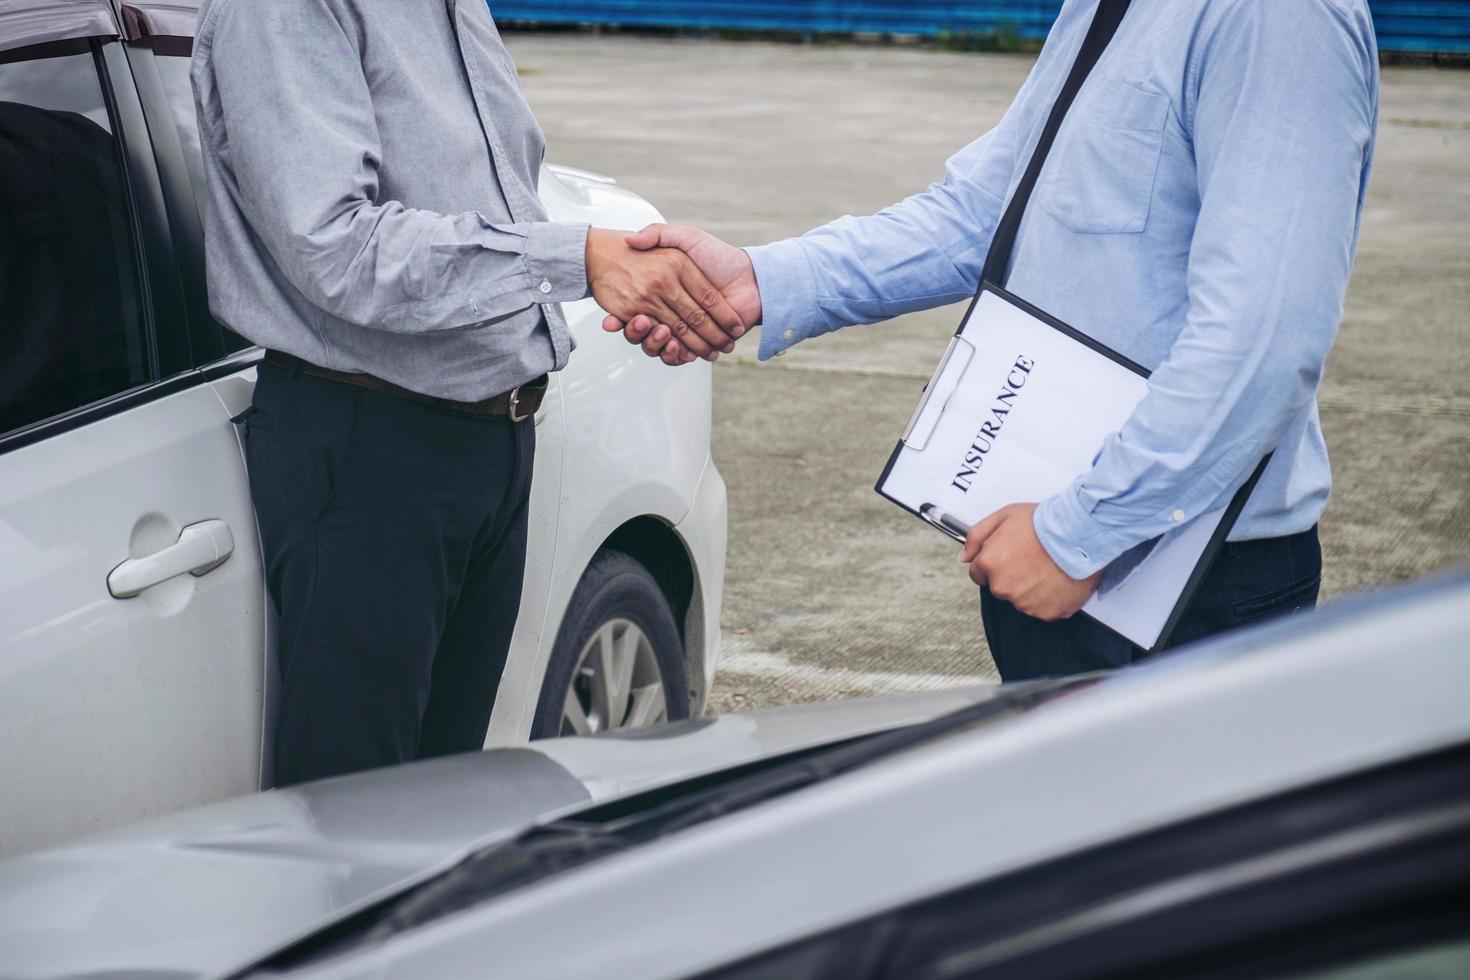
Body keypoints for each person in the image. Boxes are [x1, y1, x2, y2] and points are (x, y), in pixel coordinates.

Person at [607, 0, 1380, 680]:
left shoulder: (1280, 16)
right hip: (1050, 547)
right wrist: (761, 280)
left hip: (1181, 582)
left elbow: (1262, 342)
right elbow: (982, 212)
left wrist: (1081, 537)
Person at [192, 0, 746, 784]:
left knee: (443, 799)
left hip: (490, 442)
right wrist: (579, 260)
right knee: (359, 820)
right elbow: (341, 250)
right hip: (372, 450)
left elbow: (495, 200)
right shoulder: (287, 11)